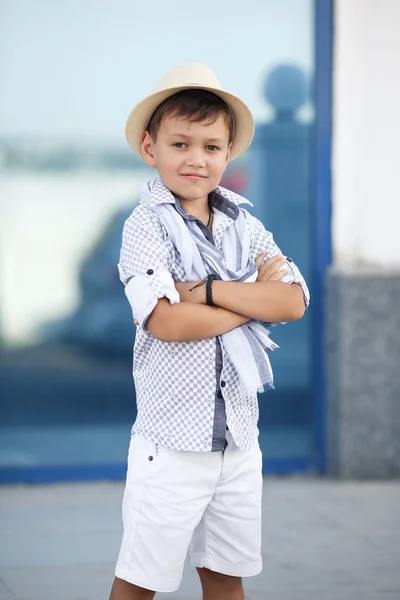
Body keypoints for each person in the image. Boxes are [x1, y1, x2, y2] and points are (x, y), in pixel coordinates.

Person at [109, 63, 309, 600]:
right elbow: (168, 321)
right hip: (170, 444)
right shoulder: (145, 225)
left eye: (211, 147)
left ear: (228, 152)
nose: (196, 159)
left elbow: (293, 300)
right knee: (140, 581)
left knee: (225, 575)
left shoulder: (246, 224)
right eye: (180, 143)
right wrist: (252, 297)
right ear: (151, 148)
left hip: (239, 439)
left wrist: (211, 290)